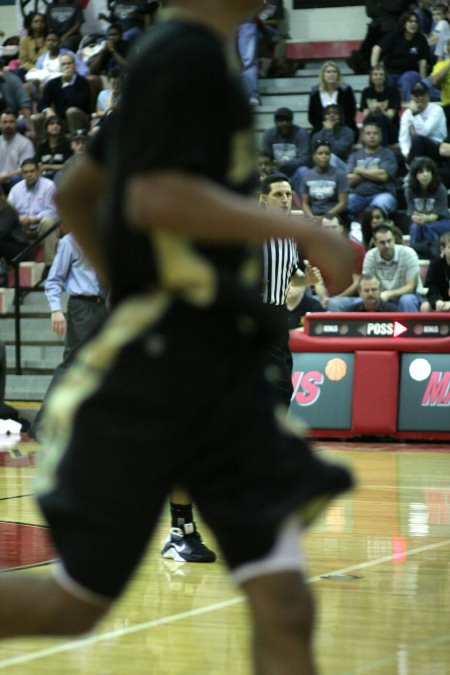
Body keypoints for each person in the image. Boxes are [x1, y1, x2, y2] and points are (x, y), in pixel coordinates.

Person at [0, 5, 355, 673]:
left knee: (283, 601)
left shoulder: (194, 55)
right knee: (74, 603)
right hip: (165, 374)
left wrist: (135, 285)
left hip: (218, 369)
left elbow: (76, 190)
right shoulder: (184, 54)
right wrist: (305, 231)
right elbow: (152, 198)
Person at [28, 231, 108, 441]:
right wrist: (56, 310)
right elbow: (53, 280)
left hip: (106, 307)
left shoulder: (108, 236)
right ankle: (42, 428)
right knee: (71, 366)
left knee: (101, 369)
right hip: (82, 307)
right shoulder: (70, 241)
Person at [260, 172, 323, 405]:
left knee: (284, 378)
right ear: (263, 200)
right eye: (278, 195)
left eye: (288, 194)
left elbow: (292, 276)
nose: (285, 199)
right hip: (257, 314)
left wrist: (306, 280)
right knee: (281, 386)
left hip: (279, 313)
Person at [7, 158, 59, 267]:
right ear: (22, 174)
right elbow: (9, 212)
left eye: (32, 171)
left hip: (41, 226)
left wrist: (32, 219)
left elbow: (52, 211)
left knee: (48, 222)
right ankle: (7, 268)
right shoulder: (15, 189)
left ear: (38, 171)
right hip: (22, 228)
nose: (29, 174)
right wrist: (18, 219)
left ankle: (49, 266)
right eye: (25, 172)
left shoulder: (49, 186)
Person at [362, 224, 425, 310]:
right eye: (382, 242)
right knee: (362, 301)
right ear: (375, 243)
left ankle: (410, 324)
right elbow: (367, 284)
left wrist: (388, 294)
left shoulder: (409, 253)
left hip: (410, 296)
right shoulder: (370, 256)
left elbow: (411, 287)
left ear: (394, 239)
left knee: (406, 300)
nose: (387, 245)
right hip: (381, 297)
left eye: (389, 241)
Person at [371, 11, 429, 102]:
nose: (413, 24)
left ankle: (408, 108)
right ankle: (386, 108)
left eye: (416, 22)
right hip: (390, 72)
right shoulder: (395, 35)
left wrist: (423, 81)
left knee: (407, 80)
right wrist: (374, 69)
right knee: (383, 79)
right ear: (404, 23)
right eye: (410, 21)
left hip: (410, 73)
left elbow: (422, 62)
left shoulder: (421, 39)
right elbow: (376, 48)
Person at [33, 53, 92, 140]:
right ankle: (44, 147)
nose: (66, 66)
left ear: (75, 65)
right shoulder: (53, 83)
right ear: (60, 67)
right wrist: (48, 110)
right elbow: (41, 104)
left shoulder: (83, 82)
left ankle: (75, 142)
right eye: (63, 64)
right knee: (36, 118)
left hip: (80, 118)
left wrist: (67, 84)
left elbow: (77, 103)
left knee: (71, 111)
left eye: (69, 63)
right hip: (60, 120)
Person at [347, 122, 398, 219]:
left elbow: (382, 176)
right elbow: (349, 180)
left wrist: (359, 170)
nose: (372, 136)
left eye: (375, 133)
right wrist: (373, 172)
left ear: (381, 136)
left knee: (378, 208)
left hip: (382, 194)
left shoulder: (387, 154)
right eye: (368, 133)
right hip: (358, 195)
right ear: (362, 137)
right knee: (344, 205)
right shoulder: (354, 156)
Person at [316, 215, 365, 312]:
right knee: (308, 301)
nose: (330, 232)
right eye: (326, 228)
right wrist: (324, 297)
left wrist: (335, 299)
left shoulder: (356, 249)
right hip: (326, 296)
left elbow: (357, 283)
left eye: (334, 227)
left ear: (341, 229)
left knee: (334, 304)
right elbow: (318, 282)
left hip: (350, 297)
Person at [261, 107, 312, 197]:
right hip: (276, 171)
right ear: (275, 122)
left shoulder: (301, 133)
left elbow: (306, 159)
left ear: (292, 121)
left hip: (296, 172)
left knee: (304, 171)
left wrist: (286, 164)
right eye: (281, 121)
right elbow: (265, 157)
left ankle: (303, 205)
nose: (284, 123)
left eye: (287, 120)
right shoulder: (268, 134)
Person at [405, 156, 450, 255]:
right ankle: (416, 254)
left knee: (426, 227)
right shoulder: (409, 190)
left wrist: (424, 219)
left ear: (432, 173)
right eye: (421, 172)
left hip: (442, 222)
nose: (425, 174)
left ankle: (420, 251)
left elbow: (436, 215)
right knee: (415, 227)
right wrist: (417, 218)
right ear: (415, 175)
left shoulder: (440, 189)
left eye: (428, 171)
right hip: (421, 222)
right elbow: (412, 212)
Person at [398, 82, 447, 165]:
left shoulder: (436, 110)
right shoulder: (407, 113)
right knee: (396, 156)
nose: (420, 98)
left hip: (436, 148)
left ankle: (411, 173)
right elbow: (403, 138)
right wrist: (406, 154)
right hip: (414, 150)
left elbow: (423, 133)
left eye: (422, 94)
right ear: (411, 97)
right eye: (416, 95)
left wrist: (415, 114)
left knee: (418, 139)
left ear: (428, 96)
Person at [308, 60, 358, 140]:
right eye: (328, 72)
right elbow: (312, 117)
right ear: (323, 75)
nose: (331, 74)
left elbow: (351, 113)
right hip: (322, 128)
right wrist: (325, 127)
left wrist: (338, 127)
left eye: (334, 72)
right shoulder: (315, 92)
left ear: (338, 75)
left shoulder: (346, 90)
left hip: (344, 128)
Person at [300, 139, 349, 220]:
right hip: (313, 216)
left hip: (334, 216)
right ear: (314, 156)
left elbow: (343, 203)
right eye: (320, 153)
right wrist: (311, 218)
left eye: (327, 153)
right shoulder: (307, 175)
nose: (324, 156)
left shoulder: (340, 174)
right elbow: (304, 203)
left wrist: (326, 218)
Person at [360, 64, 401, 146]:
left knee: (380, 117)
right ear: (371, 77)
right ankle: (366, 150)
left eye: (381, 74)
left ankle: (381, 149)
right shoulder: (366, 92)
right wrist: (372, 110)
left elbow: (390, 116)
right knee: (369, 119)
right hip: (372, 127)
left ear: (385, 77)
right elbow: (365, 116)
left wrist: (380, 110)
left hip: (391, 130)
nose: (378, 77)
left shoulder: (394, 91)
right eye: (375, 74)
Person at [310, 104, 354, 171]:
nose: (332, 115)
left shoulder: (348, 132)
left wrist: (329, 131)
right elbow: (314, 157)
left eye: (335, 113)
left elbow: (337, 151)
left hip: (345, 167)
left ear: (340, 117)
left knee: (330, 157)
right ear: (324, 117)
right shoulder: (317, 135)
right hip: (321, 168)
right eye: (328, 114)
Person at [0, 111, 35, 194]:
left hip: (14, 180)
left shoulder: (25, 143)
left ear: (16, 124)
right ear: (0, 125)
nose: (8, 125)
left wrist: (5, 177)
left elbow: (26, 168)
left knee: (16, 179)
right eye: (4, 122)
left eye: (11, 122)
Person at [0, 185, 29, 284]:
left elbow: (1, 231)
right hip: (7, 246)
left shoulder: (8, 210)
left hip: (20, 248)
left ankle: (2, 274)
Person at [35, 115, 73, 180]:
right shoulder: (41, 146)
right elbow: (36, 164)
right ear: (46, 128)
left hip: (63, 177)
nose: (55, 126)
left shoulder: (67, 145)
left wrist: (48, 166)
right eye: (51, 124)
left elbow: (69, 166)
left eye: (58, 124)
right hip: (44, 177)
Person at [420, 230, 450, 311]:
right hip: (442, 300)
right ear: (442, 249)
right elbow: (431, 288)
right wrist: (436, 301)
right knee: (425, 306)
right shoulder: (436, 263)